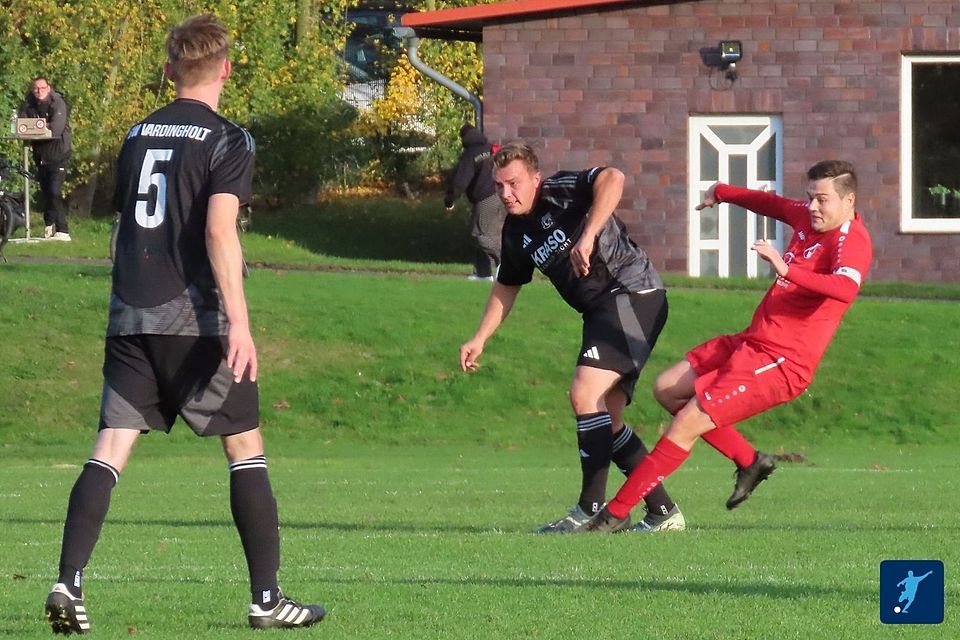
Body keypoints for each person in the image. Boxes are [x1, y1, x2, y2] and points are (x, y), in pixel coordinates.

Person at [43, 14, 325, 634]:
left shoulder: (136, 133)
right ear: (226, 68)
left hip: (129, 318)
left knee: (109, 449)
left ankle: (68, 581)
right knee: (245, 448)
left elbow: (135, 224)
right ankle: (266, 599)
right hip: (195, 320)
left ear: (170, 70)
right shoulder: (229, 139)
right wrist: (241, 323)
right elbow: (218, 230)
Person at [581, 160, 873, 532]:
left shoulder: (852, 241)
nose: (813, 206)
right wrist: (721, 192)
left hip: (781, 361)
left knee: (685, 424)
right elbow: (773, 204)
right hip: (753, 342)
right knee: (668, 389)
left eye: (823, 199)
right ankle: (749, 460)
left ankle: (613, 515)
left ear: (849, 201)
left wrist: (788, 271)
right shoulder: (809, 217)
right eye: (810, 197)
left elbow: (845, 289)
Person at [459, 141, 685, 533]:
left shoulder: (560, 190)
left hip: (632, 294)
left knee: (584, 393)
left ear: (534, 178)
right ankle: (663, 512)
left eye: (513, 183)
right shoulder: (515, 231)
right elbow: (507, 285)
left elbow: (614, 178)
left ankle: (590, 510)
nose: (505, 194)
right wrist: (480, 338)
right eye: (498, 186)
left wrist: (588, 235)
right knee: (605, 419)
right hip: (602, 310)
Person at [444, 124, 507, 281]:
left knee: (481, 234)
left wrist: (450, 200)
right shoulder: (492, 148)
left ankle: (504, 263)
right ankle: (483, 273)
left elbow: (461, 180)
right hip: (502, 196)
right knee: (492, 233)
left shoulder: (471, 154)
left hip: (485, 199)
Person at [19, 76, 72, 241]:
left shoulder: (57, 103)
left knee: (54, 191)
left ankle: (63, 230)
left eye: (42, 88)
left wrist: (35, 127)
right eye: (36, 88)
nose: (39, 91)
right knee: (47, 193)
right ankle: (49, 224)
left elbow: (56, 130)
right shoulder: (28, 103)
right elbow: (21, 127)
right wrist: (42, 126)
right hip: (40, 155)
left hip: (59, 154)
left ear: (48, 88)